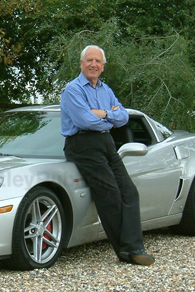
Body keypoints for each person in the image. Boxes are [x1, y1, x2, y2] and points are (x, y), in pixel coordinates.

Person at [60, 45, 155, 266]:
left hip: (106, 141)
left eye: (98, 61)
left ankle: (135, 246)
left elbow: (124, 117)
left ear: (103, 66)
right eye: (89, 60)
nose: (94, 64)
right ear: (81, 64)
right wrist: (110, 116)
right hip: (82, 143)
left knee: (129, 192)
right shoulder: (72, 90)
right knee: (110, 194)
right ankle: (127, 251)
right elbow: (85, 121)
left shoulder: (105, 89)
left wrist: (103, 114)